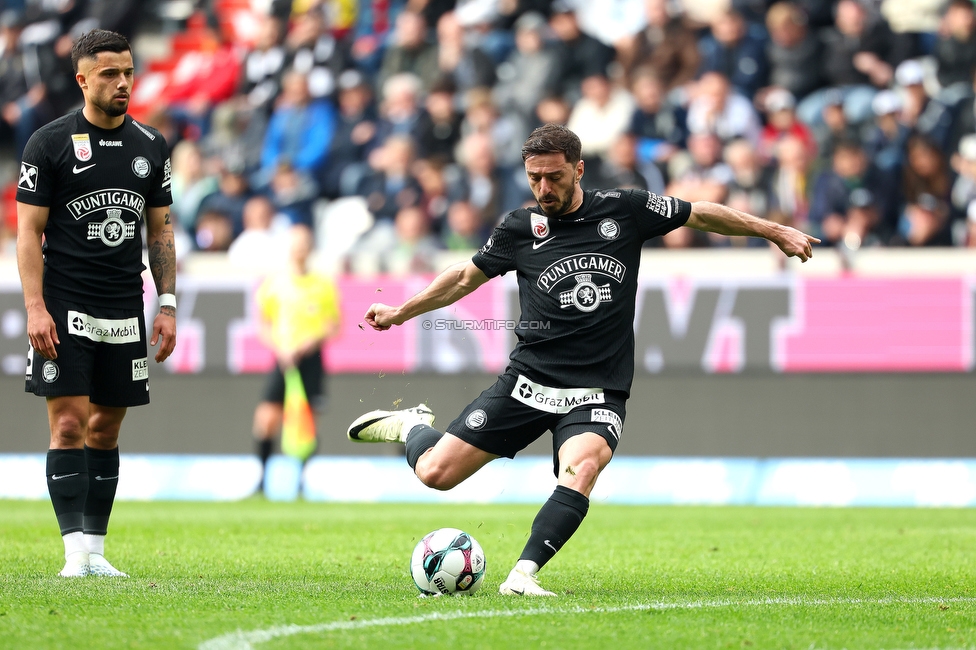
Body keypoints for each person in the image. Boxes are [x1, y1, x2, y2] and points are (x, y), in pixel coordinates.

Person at [346, 123, 817, 596]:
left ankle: (521, 576)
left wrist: (772, 231)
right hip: (528, 382)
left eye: (553, 176)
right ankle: (412, 426)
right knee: (435, 474)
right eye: (534, 178)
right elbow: (464, 278)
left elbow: (700, 214)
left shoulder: (625, 210)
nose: (543, 188)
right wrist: (401, 312)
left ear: (579, 169)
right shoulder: (519, 228)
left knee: (584, 466)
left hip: (596, 390)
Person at [15, 29, 176, 578]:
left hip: (124, 307)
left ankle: (98, 552)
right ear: (83, 79)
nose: (123, 83)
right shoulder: (48, 143)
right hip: (63, 306)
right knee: (67, 425)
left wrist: (169, 303)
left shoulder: (151, 146)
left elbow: (161, 234)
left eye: (128, 72)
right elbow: (26, 233)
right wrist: (35, 308)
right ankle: (73, 555)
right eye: (109, 74)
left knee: (105, 429)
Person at [252, 224, 341, 493]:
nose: (300, 248)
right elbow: (263, 324)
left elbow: (334, 325)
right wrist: (280, 348)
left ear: (311, 247)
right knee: (267, 418)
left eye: (305, 243)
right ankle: (262, 479)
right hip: (284, 359)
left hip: (311, 359)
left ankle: (301, 480)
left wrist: (309, 342)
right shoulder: (274, 283)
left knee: (308, 420)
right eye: (296, 243)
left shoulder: (323, 285)